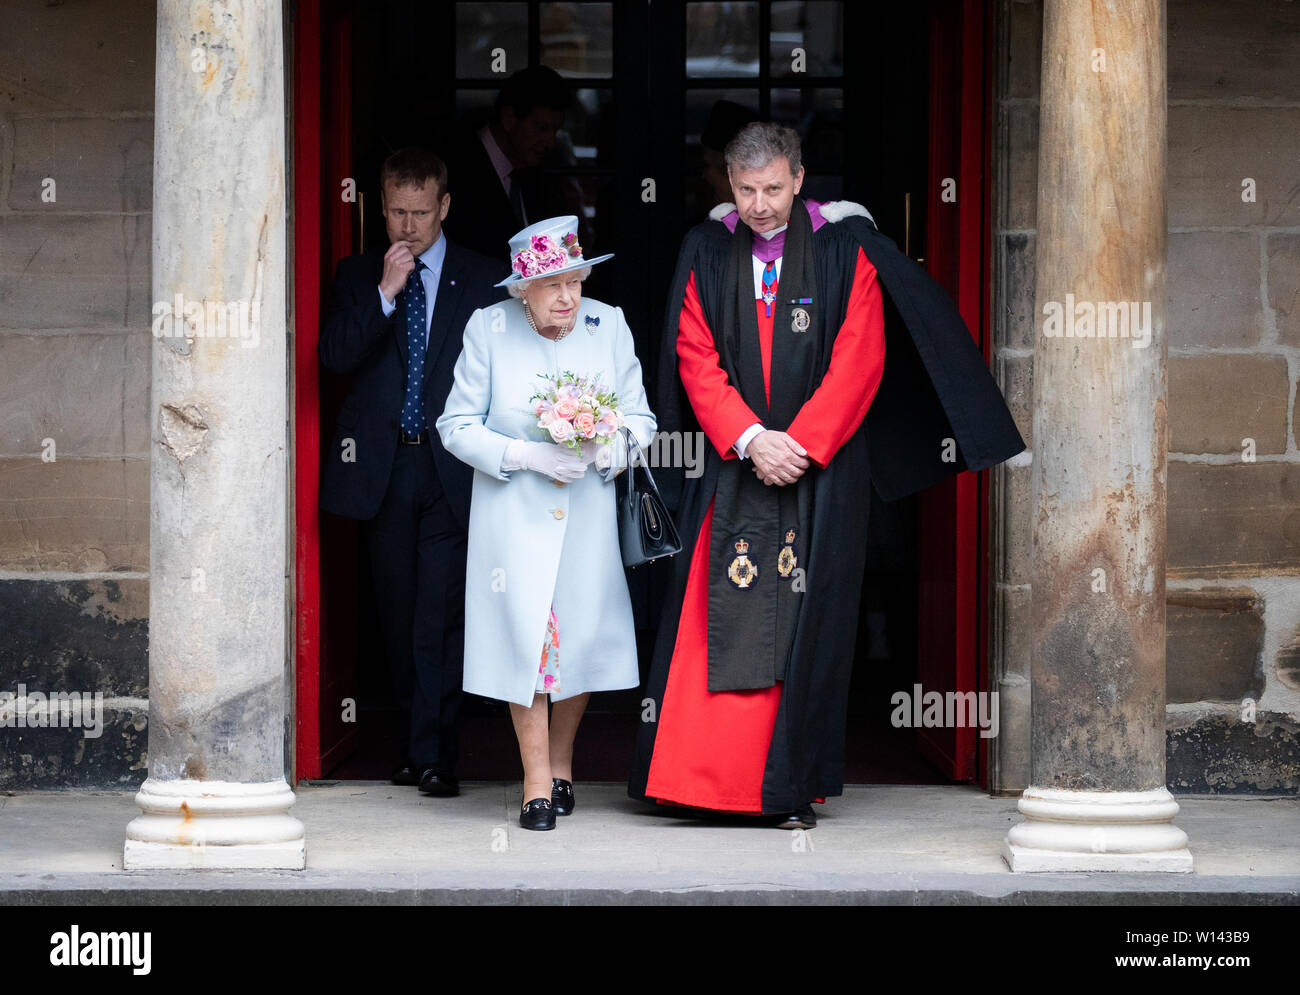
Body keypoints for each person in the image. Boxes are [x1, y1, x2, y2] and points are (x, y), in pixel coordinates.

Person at [629, 122, 1026, 828]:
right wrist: (751, 438)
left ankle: (784, 785)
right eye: (745, 189)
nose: (759, 204)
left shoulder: (847, 248)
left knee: (805, 625)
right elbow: (693, 354)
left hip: (821, 472)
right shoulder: (706, 249)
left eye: (773, 188)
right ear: (728, 182)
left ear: (801, 178)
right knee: (712, 618)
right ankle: (701, 781)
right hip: (732, 466)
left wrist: (801, 444)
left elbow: (859, 358)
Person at [436, 215, 656, 831]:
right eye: (552, 284)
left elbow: (641, 417)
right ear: (521, 289)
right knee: (526, 644)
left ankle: (562, 761)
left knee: (581, 641)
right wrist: (525, 454)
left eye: (575, 280)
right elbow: (455, 426)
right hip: (514, 523)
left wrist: (605, 451)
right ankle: (535, 780)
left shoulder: (606, 323)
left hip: (585, 515)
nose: (568, 296)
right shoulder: (489, 326)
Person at [318, 147, 504, 798]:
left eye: (420, 212)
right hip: (385, 467)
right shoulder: (358, 273)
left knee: (441, 617)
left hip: (454, 466)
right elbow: (335, 355)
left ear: (444, 206)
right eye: (396, 211)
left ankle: (434, 754)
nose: (406, 226)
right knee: (397, 616)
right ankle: (413, 743)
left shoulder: (484, 277)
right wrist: (385, 295)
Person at [436, 66, 579, 261]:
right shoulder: (454, 171)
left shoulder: (536, 177)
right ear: (509, 119)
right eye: (541, 128)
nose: (550, 142)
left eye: (555, 131)